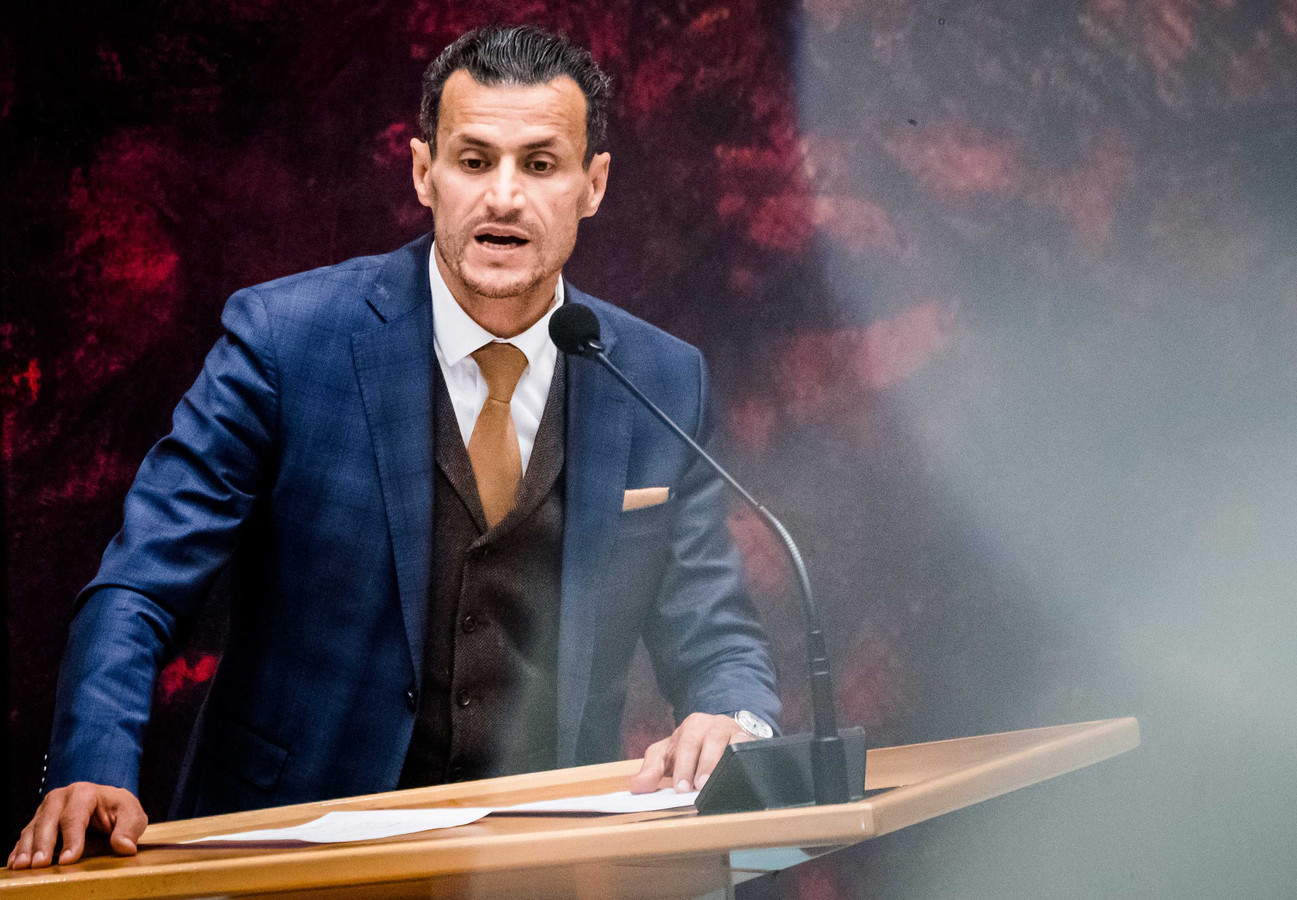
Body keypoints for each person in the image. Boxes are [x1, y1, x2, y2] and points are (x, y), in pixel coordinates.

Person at [8, 24, 779, 871]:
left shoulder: (663, 379)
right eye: (474, 160)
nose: (504, 197)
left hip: (543, 866)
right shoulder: (283, 342)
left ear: (592, 185)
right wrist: (89, 765)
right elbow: (140, 585)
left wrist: (734, 719)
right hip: (285, 858)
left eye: (540, 164)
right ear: (423, 172)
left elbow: (715, 635)